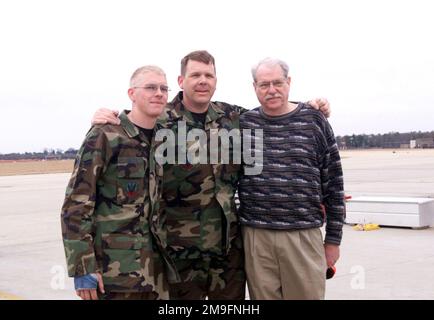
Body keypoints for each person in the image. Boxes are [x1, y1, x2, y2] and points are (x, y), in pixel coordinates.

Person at [91, 50, 331, 300]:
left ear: (216, 81)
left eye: (209, 75)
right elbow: (132, 123)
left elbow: (273, 109)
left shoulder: (233, 117)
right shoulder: (160, 120)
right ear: (181, 81)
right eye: (195, 75)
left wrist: (310, 107)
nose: (203, 80)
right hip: (178, 254)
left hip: (227, 254)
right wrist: (107, 117)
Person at [61, 65, 178, 300]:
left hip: (157, 273)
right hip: (115, 274)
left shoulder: (165, 137)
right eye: (151, 87)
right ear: (132, 94)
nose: (159, 93)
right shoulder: (105, 135)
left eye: (164, 88)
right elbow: (76, 205)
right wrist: (83, 268)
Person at [238, 57, 345, 300]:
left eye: (278, 82)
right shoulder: (244, 124)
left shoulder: (314, 120)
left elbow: (334, 183)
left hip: (303, 236)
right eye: (264, 85)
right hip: (256, 236)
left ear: (289, 82)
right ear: (254, 87)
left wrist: (333, 240)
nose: (271, 90)